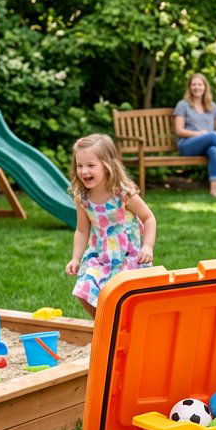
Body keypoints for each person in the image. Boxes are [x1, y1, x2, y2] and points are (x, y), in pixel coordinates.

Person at [65, 133, 156, 318]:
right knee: (83, 289)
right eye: (79, 165)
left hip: (128, 256)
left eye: (91, 165)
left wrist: (147, 246)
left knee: (126, 301)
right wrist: (75, 258)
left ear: (107, 166)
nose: (84, 171)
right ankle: (104, 324)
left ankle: (121, 325)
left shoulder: (122, 193)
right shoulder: (82, 198)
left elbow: (149, 218)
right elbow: (82, 230)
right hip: (100, 255)